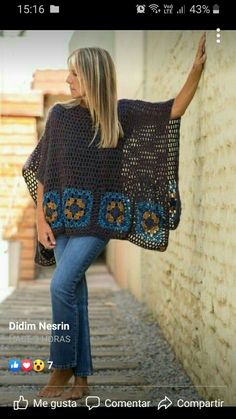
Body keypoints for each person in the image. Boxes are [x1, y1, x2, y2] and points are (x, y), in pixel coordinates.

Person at [22, 33, 206, 399]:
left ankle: (61, 370)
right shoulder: (60, 115)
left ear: (92, 75)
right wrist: (41, 219)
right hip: (61, 221)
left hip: (99, 223)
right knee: (76, 293)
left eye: (74, 74)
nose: (68, 80)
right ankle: (83, 381)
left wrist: (196, 70)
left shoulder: (121, 114)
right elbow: (43, 168)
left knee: (60, 286)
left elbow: (173, 110)